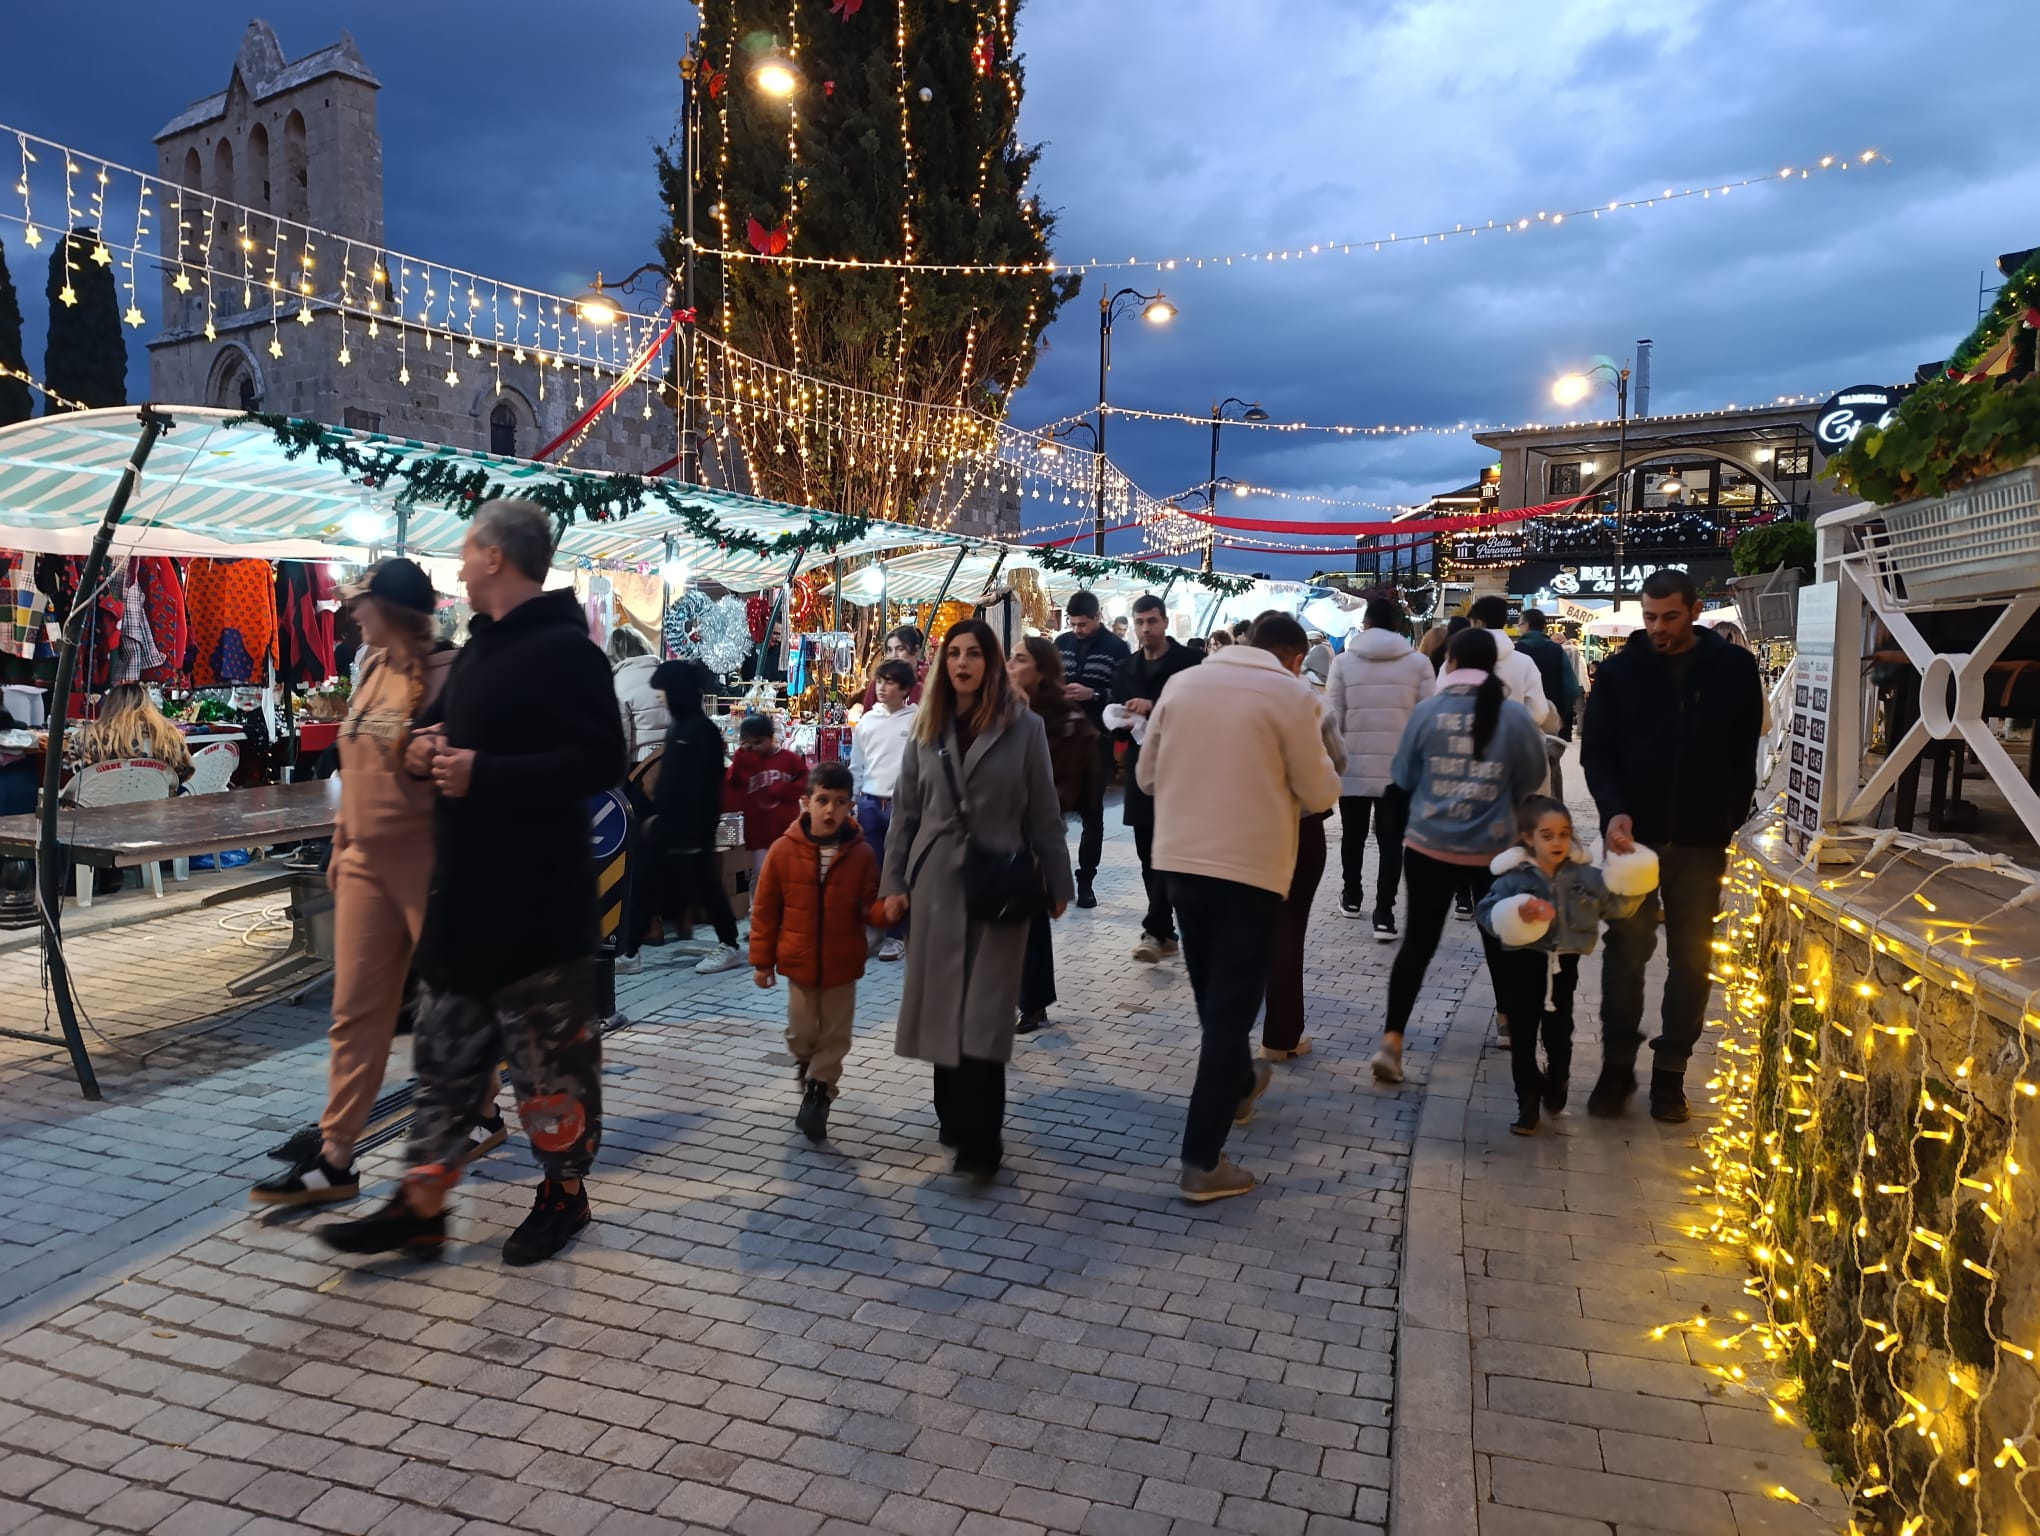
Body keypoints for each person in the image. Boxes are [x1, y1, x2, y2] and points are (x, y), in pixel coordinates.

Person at [321, 498, 626, 1267]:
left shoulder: (568, 651)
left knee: (548, 1073)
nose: (456, 565)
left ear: (495, 557)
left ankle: (565, 1195)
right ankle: (421, 1205)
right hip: (465, 903)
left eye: (465, 550)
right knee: (445, 1057)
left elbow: (599, 763)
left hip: (537, 911)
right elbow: (452, 736)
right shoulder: (482, 648)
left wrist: (482, 772)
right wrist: (427, 750)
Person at [253, 559, 505, 1207]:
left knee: (454, 1000)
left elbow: (460, 766)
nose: (351, 614)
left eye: (361, 604)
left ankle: (484, 1109)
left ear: (390, 609)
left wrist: (430, 750)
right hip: (365, 860)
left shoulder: (454, 672)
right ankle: (336, 1157)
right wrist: (342, 842)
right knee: (355, 1011)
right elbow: (356, 768)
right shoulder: (368, 668)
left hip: (429, 862)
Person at [1138, 612, 1341, 1203]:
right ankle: (1202, 1160)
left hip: (1180, 864)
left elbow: (1147, 777)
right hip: (1250, 872)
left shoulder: (1183, 683)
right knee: (1228, 1015)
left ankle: (1242, 1079)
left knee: (1215, 1004)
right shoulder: (1291, 695)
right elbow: (1322, 791)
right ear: (1295, 657)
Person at [879, 620, 1073, 1182]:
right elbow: (905, 816)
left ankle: (982, 1139)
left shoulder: (1025, 727)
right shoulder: (926, 727)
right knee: (944, 1004)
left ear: (990, 663)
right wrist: (892, 884)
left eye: (974, 654)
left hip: (1001, 883)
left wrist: (1058, 883)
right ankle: (954, 1117)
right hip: (936, 882)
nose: (962, 663)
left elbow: (1043, 813)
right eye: (953, 654)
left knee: (985, 1010)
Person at [1581, 568, 1763, 1123]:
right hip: (1634, 842)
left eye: (1670, 617)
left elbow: (1742, 754)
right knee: (1625, 955)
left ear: (1695, 609)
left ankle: (1670, 1076)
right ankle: (1616, 1069)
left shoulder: (1734, 669)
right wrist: (1613, 812)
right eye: (1650, 617)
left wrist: (1726, 821)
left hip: (1701, 840)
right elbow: (1597, 753)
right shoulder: (1618, 674)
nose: (1658, 628)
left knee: (1691, 958)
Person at [1369, 627, 1547, 1087]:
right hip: (1495, 850)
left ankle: (1392, 1041)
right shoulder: (1513, 717)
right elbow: (1531, 777)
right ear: (1492, 665)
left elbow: (1404, 774)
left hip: (1429, 846)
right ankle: (1508, 1023)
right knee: (1500, 940)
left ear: (1448, 662)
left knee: (1418, 945)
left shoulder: (1428, 712)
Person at [1477, 796, 1657, 1134]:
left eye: (1564, 834)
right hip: (1523, 964)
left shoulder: (1584, 877)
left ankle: (1558, 1080)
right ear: (1528, 838)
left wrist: (1632, 874)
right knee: (1524, 1031)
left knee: (1559, 1032)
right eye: (1547, 835)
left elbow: (1618, 904)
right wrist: (1516, 913)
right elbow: (1486, 912)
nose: (1558, 842)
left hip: (1564, 964)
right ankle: (1527, 1101)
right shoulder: (1512, 879)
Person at [749, 761, 888, 1143]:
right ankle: (808, 1068)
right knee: (801, 1032)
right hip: (799, 963)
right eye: (823, 800)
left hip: (843, 965)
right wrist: (762, 962)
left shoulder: (861, 856)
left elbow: (869, 904)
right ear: (804, 803)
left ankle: (819, 1091)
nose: (831, 811)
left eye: (840, 802)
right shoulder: (782, 852)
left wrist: (885, 911)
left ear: (851, 807)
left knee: (835, 1037)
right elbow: (765, 910)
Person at [1255, 615, 1347, 1064]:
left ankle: (1233, 1039)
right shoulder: (1309, 701)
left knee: (1243, 931)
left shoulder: (1220, 695)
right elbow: (1338, 761)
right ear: (1296, 660)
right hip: (1300, 828)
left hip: (1242, 830)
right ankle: (1280, 1036)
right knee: (1289, 930)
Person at [1007, 636, 1097, 1035]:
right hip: (998, 832)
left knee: (1029, 919)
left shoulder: (1062, 719)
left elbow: (1058, 786)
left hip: (1035, 833)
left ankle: (1033, 1001)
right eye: (1010, 658)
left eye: (1020, 659)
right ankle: (1028, 1000)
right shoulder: (1001, 710)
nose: (1011, 665)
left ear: (1041, 670)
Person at [1329, 598, 1434, 941]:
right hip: (1398, 772)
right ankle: (1384, 914)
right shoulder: (1418, 663)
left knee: (1353, 836)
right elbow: (1428, 721)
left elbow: (1332, 719)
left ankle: (1352, 895)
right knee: (1392, 843)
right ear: (1399, 625)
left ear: (1366, 623)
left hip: (1353, 766)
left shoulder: (1343, 663)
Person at [1109, 593, 1202, 965]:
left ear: (1164, 622)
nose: (1146, 628)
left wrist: (1155, 705)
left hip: (1182, 771)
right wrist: (1118, 720)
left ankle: (1157, 926)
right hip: (1142, 770)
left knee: (1175, 855)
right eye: (1140, 622)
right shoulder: (1125, 669)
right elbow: (1117, 727)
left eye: (1152, 621)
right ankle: (1163, 931)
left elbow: (1200, 709)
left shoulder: (1190, 663)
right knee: (1148, 854)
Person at [648, 659, 746, 976]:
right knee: (688, 883)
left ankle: (729, 944)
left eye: (663, 691)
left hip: (691, 826)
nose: (659, 697)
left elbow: (703, 784)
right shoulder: (681, 727)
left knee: (704, 884)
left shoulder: (699, 731)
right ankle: (631, 948)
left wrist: (694, 824)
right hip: (677, 824)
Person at [1053, 591, 1129, 908]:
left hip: (1097, 742)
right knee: (1051, 812)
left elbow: (1125, 693)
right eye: (1073, 624)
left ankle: (1086, 882)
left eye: (1083, 624)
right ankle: (1054, 878)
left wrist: (1093, 694)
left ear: (1098, 617)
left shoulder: (1117, 648)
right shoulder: (1062, 644)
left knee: (1092, 815)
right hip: (1061, 741)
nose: (1078, 630)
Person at [848, 658, 918, 962]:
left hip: (902, 805)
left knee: (898, 870)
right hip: (870, 803)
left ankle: (896, 935)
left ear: (905, 689)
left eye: (889, 682)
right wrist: (852, 799)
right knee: (872, 870)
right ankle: (874, 928)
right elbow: (857, 765)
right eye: (879, 681)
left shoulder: (917, 721)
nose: (881, 687)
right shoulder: (866, 722)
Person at [727, 714, 808, 885]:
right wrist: (741, 756)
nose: (754, 748)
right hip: (758, 835)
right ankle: (758, 909)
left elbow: (805, 783)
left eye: (758, 742)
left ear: (771, 738)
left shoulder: (789, 759)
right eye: (749, 743)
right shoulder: (746, 761)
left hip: (787, 831)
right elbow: (733, 784)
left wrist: (784, 789)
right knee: (762, 876)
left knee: (788, 875)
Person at [66, 682, 193, 784]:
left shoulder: (87, 737)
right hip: (156, 809)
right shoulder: (169, 735)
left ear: (109, 706)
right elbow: (185, 771)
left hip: (101, 809)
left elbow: (71, 777)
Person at [1514, 609, 1580, 742]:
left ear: (1526, 625)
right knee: (1549, 758)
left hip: (1521, 717)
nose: (1519, 628)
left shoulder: (1516, 650)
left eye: (1519, 625)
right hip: (1551, 716)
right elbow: (1571, 688)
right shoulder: (1557, 651)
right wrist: (1563, 714)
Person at [608, 628, 669, 764]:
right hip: (681, 760)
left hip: (642, 766)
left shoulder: (618, 684)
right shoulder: (669, 673)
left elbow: (621, 744)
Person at [858, 625, 926, 710]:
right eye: (889, 650)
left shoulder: (929, 680)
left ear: (916, 650)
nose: (893, 656)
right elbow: (867, 718)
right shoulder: (878, 682)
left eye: (900, 649)